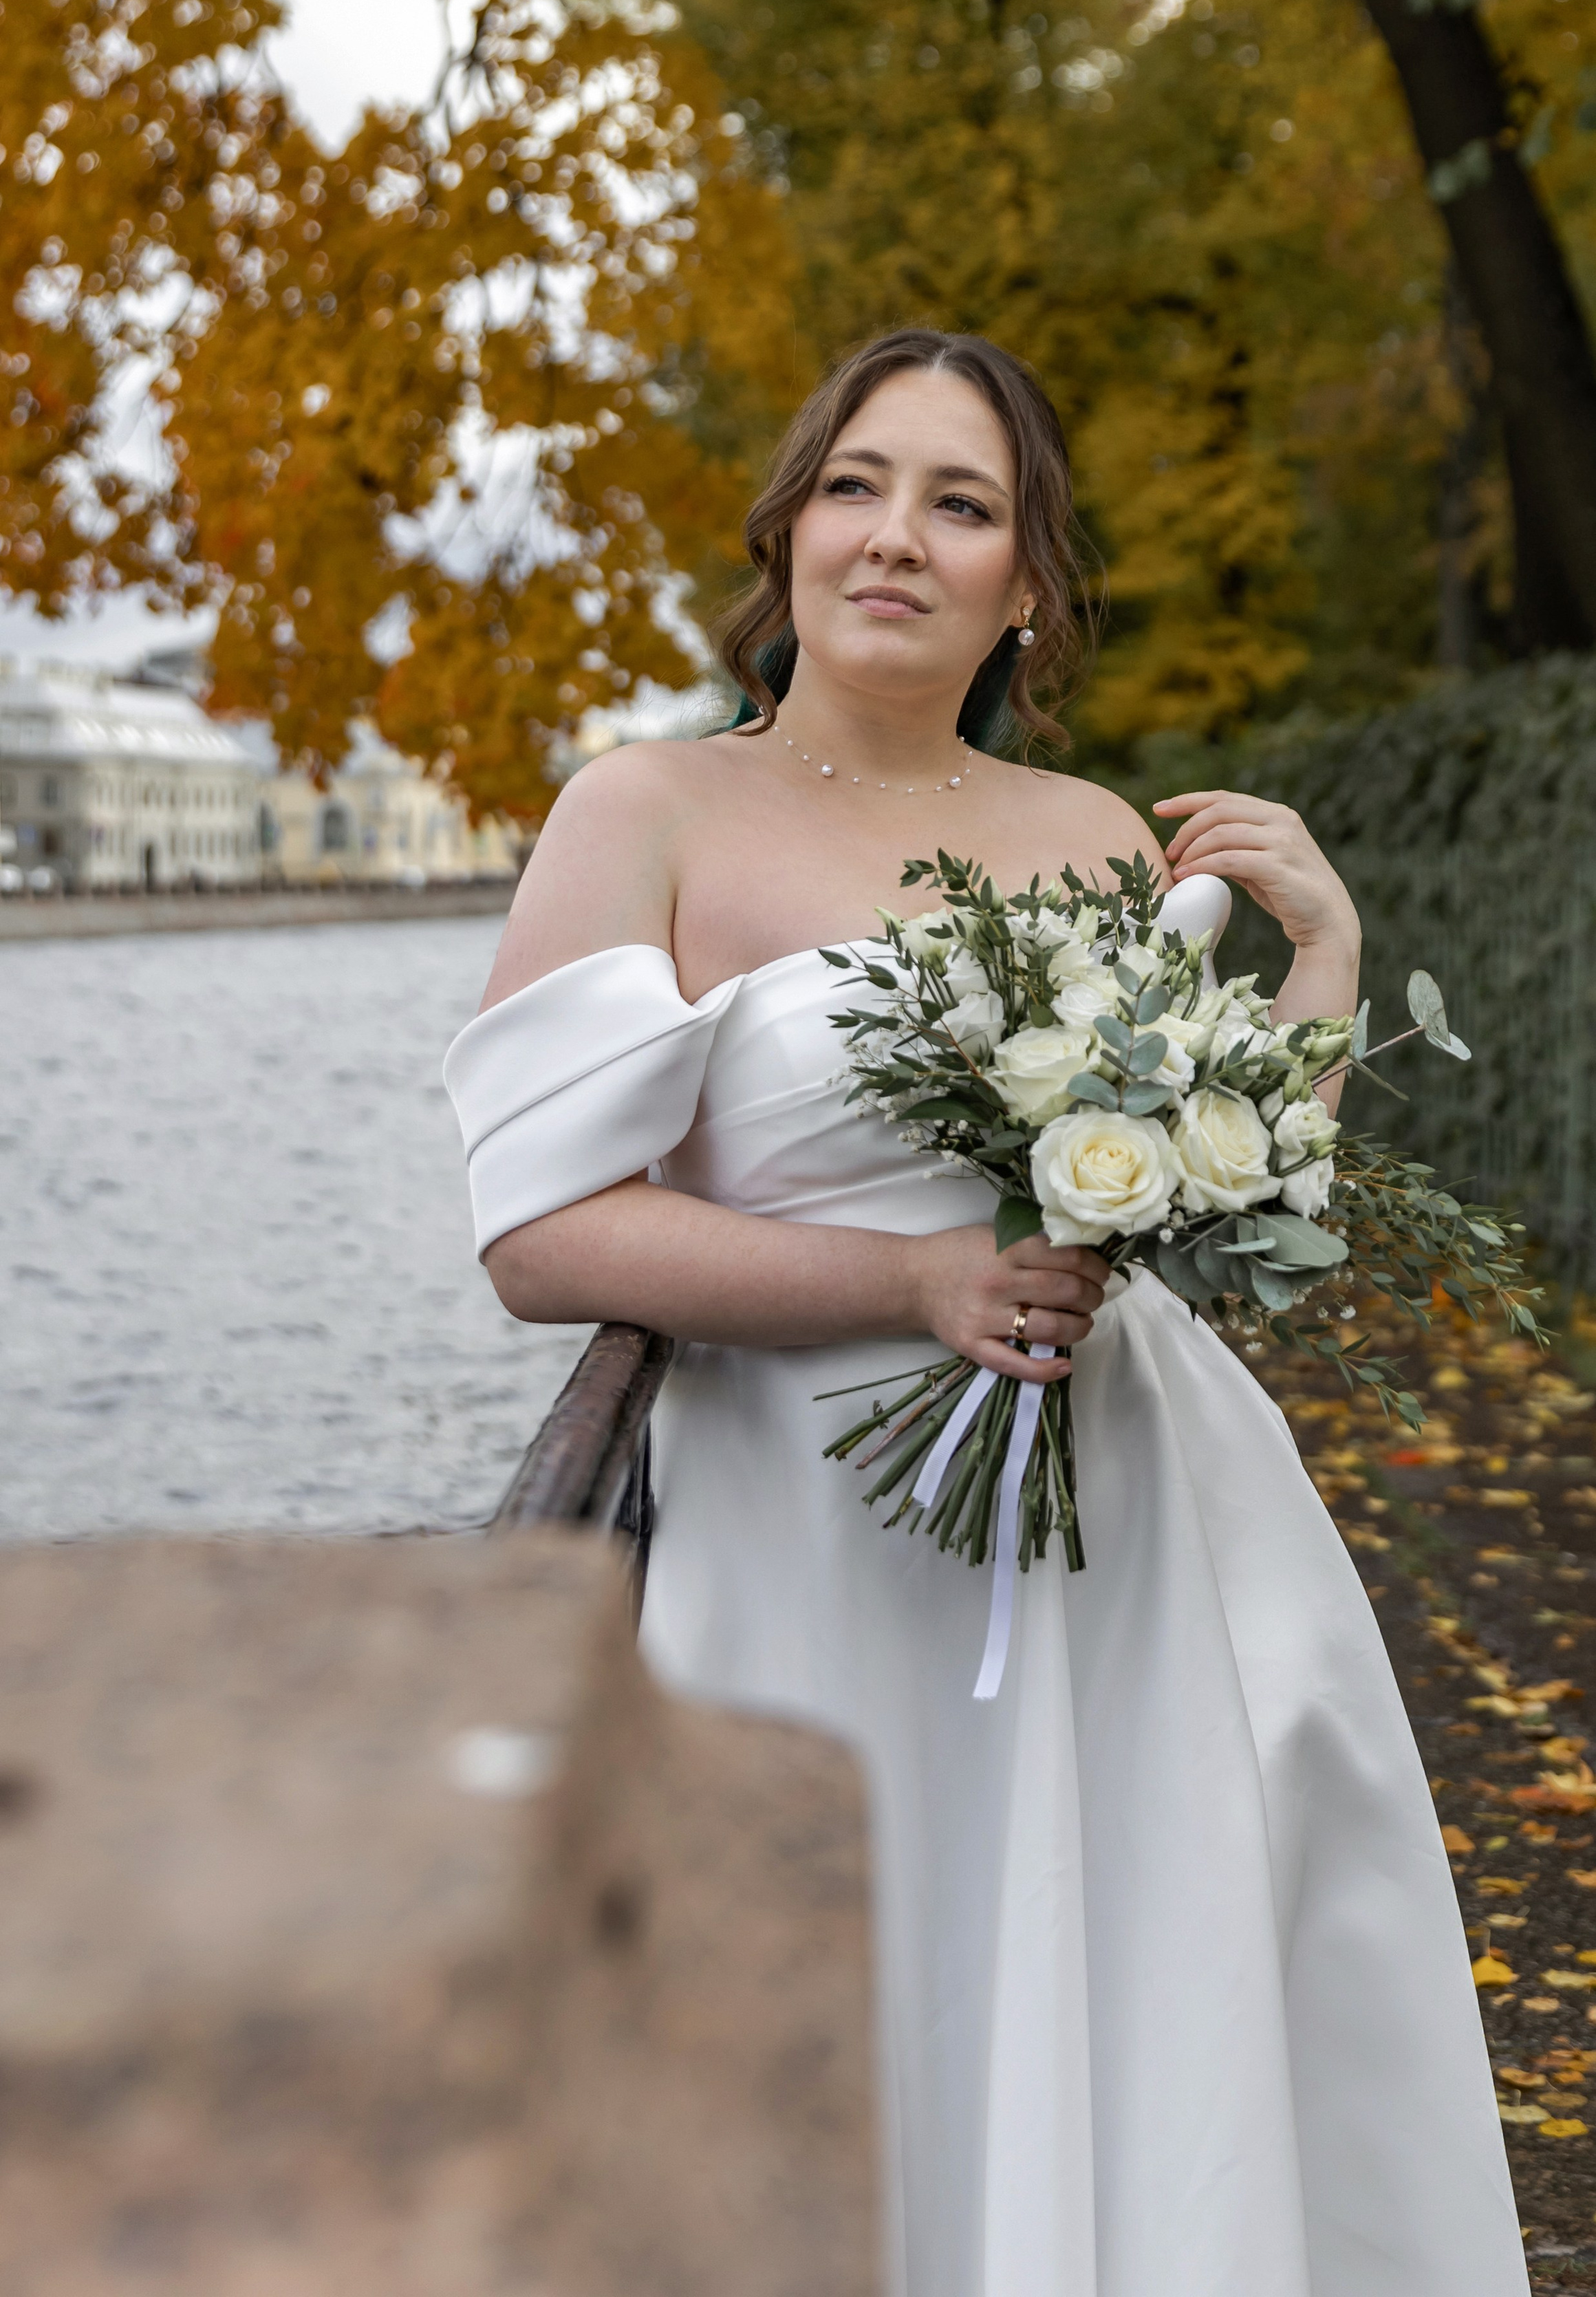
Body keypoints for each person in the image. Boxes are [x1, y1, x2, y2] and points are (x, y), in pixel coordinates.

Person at [444, 328, 1524, 2296]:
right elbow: (542, 1234)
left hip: (1130, 1511)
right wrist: (914, 1279)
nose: (895, 537)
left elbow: (1218, 1187)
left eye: (961, 505)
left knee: (1146, 1991)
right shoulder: (647, 810)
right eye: (856, 486)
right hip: (814, 1529)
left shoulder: (1096, 837)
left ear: (1024, 584)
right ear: (788, 534)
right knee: (853, 2000)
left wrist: (1326, 953)